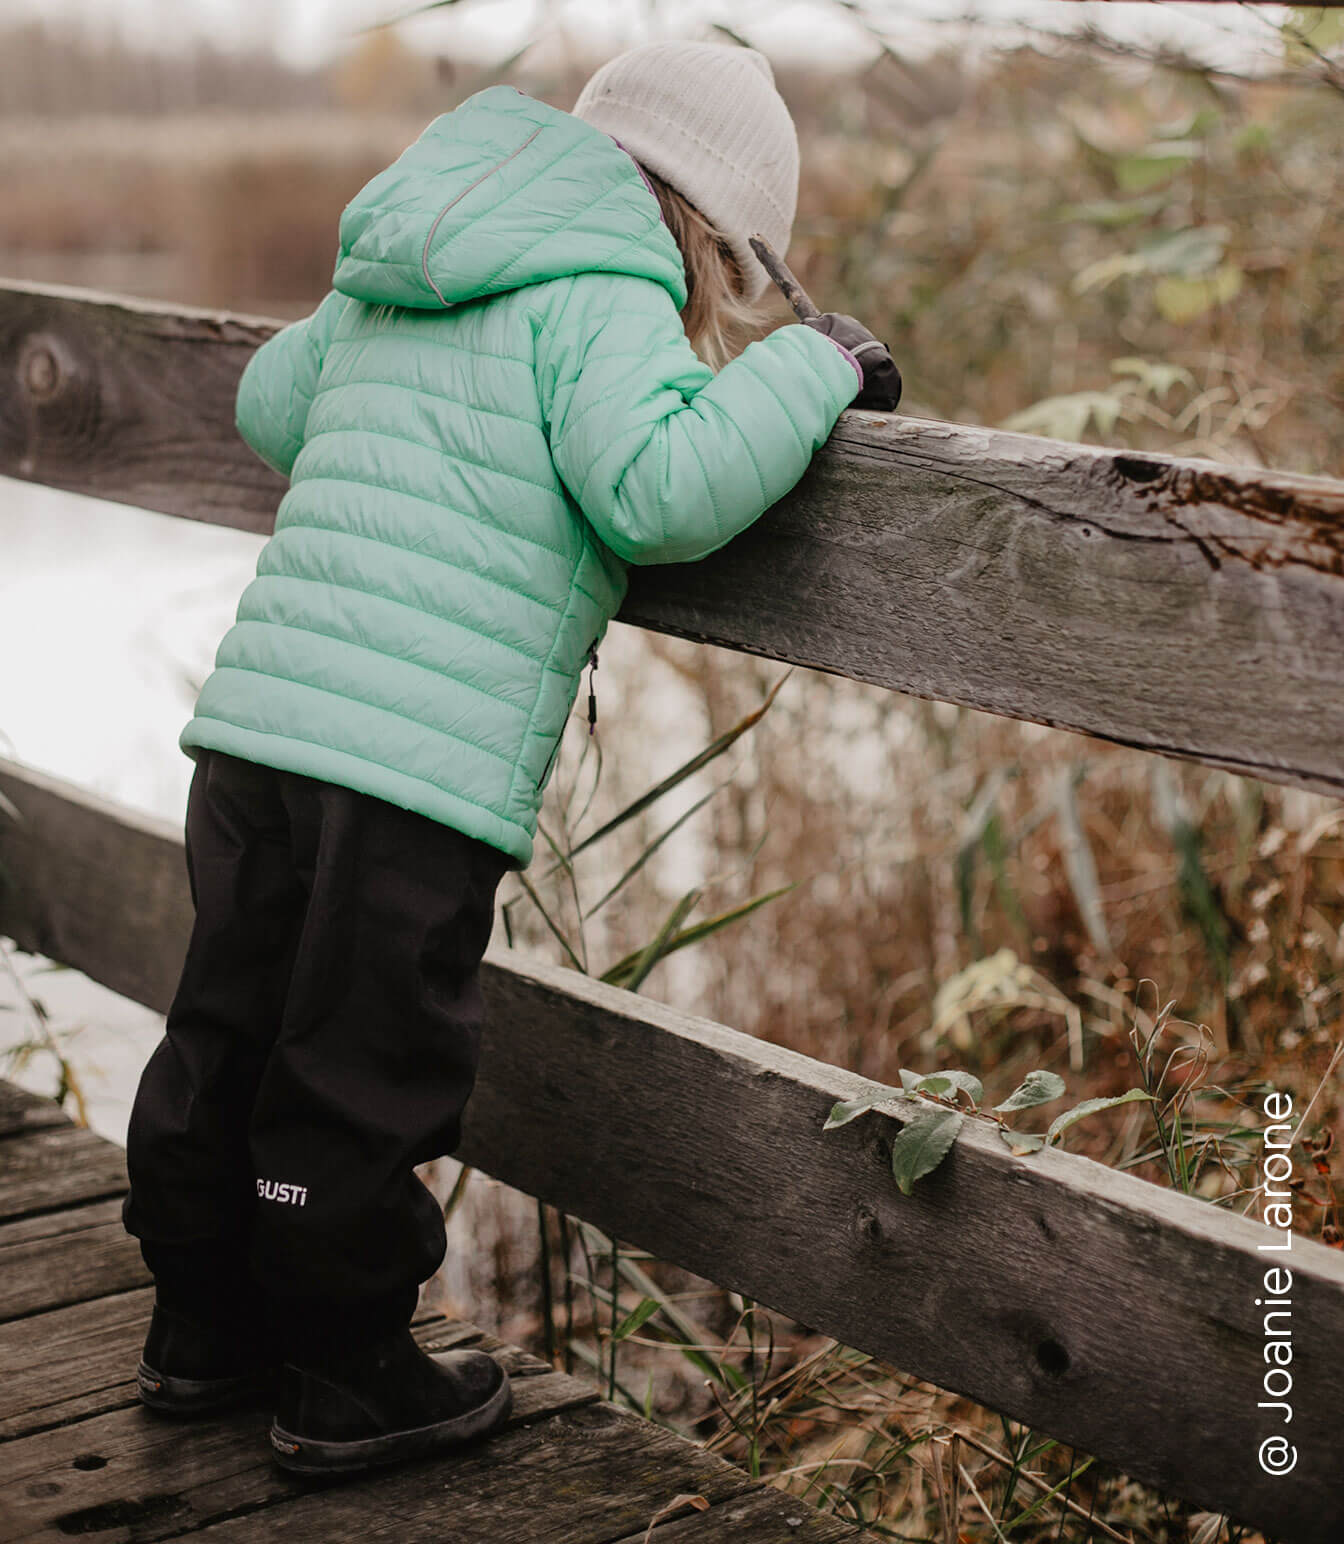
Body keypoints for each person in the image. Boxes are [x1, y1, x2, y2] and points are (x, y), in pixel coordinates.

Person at [120, 39, 900, 1477]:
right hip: (412, 768)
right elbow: (658, 488)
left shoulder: (406, 261)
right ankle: (346, 1367)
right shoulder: (600, 293)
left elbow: (270, 406)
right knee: (361, 1058)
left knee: (227, 1020)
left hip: (258, 734)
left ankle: (202, 1327)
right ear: (709, 229)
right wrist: (811, 363)